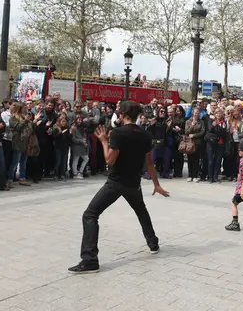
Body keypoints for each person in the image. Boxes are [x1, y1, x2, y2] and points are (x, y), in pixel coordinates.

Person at [68, 101, 170, 274]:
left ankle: (90, 259)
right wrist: (157, 184)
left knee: (90, 215)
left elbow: (109, 160)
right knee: (141, 211)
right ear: (138, 115)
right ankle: (153, 243)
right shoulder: (145, 135)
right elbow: (149, 163)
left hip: (115, 183)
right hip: (133, 183)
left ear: (122, 115)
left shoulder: (118, 133)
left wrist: (103, 141)